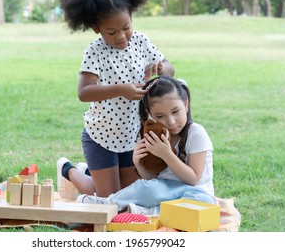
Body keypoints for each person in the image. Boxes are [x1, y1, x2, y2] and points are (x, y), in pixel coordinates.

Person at [57, 0, 175, 200]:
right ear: (95, 28)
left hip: (132, 135)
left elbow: (170, 67)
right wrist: (122, 89)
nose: (121, 36)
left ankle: (90, 172)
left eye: (126, 27)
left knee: (127, 195)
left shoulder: (140, 41)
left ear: (131, 16)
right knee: (110, 198)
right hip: (101, 136)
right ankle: (69, 170)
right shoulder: (95, 51)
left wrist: (160, 69)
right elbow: (83, 92)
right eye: (111, 32)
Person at [76, 75, 217, 215]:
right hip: (163, 191)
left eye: (175, 111)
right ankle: (109, 203)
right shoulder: (154, 134)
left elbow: (193, 179)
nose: (171, 121)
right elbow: (151, 178)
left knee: (202, 203)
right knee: (147, 188)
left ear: (185, 105)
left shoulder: (196, 134)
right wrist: (138, 164)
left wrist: (166, 155)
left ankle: (147, 211)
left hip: (194, 193)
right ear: (150, 115)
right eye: (160, 116)